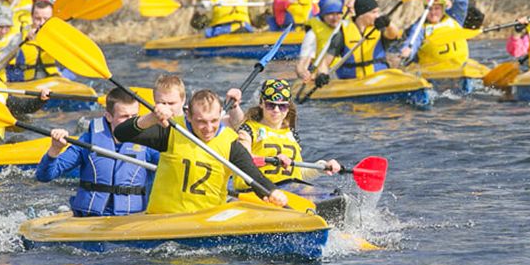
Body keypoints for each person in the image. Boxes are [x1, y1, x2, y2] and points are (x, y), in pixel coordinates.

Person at [114, 89, 288, 214]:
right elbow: (121, 133)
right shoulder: (171, 131)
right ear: (188, 116)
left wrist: (272, 192)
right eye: (201, 122)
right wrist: (151, 118)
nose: (208, 128)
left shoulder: (230, 143)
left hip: (207, 221)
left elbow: (253, 175)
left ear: (221, 115)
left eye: (214, 121)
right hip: (166, 218)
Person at [36, 88, 160, 216]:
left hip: (132, 218)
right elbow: (44, 176)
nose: (130, 122)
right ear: (109, 116)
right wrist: (55, 149)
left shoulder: (149, 144)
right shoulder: (88, 141)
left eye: (134, 116)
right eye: (124, 116)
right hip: (92, 218)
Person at [234, 79, 339, 191]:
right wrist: (271, 160)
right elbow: (242, 160)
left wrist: (321, 167)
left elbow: (300, 173)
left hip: (290, 191)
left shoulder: (291, 134)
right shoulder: (248, 129)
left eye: (282, 106)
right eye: (270, 105)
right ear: (261, 104)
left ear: (288, 108)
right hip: (254, 191)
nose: (276, 110)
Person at [312, 0, 401, 85]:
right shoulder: (342, 33)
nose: (377, 16)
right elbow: (325, 62)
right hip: (353, 83)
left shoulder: (379, 28)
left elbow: (393, 35)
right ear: (362, 14)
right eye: (373, 12)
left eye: (378, 12)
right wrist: (322, 74)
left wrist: (388, 23)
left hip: (379, 80)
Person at [399, 0, 473, 69]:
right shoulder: (420, 27)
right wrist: (408, 51)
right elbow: (413, 41)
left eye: (437, 8)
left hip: (460, 66)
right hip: (433, 71)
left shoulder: (455, 17)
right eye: (430, 9)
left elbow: (463, 0)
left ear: (443, 8)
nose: (433, 12)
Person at [6, 0, 59, 82]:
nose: (42, 23)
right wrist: (25, 40)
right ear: (31, 17)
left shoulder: (59, 36)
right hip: (25, 81)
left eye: (46, 19)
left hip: (55, 79)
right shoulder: (20, 35)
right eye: (37, 19)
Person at [295, 0, 344, 83]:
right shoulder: (312, 34)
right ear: (323, 15)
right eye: (331, 14)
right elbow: (302, 63)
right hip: (323, 73)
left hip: (346, 71)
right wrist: (303, 73)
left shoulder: (346, 27)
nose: (335, 18)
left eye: (338, 14)